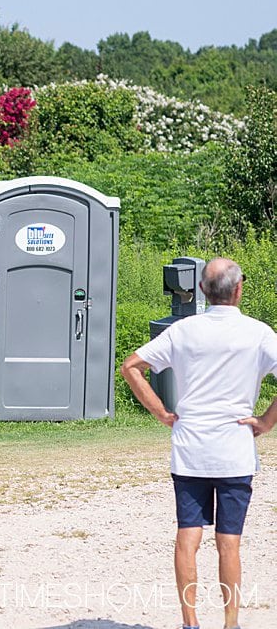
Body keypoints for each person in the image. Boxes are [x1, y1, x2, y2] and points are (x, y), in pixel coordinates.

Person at [121, 257, 277, 629]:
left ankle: (190, 622)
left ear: (204, 290)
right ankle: (230, 622)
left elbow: (131, 366)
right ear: (239, 289)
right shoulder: (258, 333)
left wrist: (161, 411)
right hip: (234, 449)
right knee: (229, 541)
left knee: (187, 536)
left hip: (190, 448)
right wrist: (267, 421)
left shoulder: (184, 330)